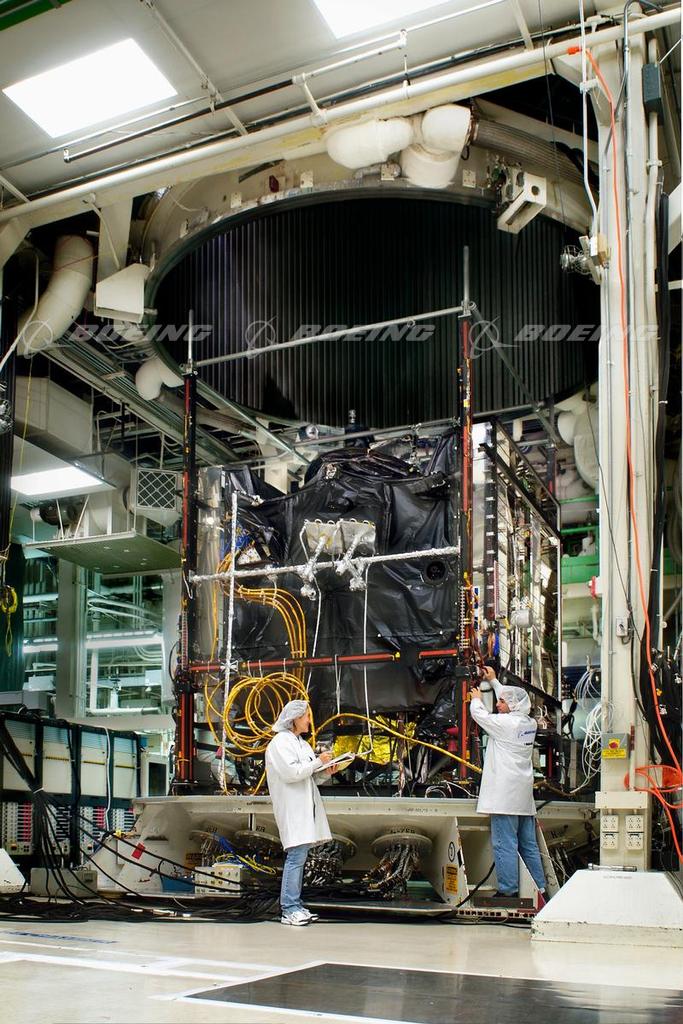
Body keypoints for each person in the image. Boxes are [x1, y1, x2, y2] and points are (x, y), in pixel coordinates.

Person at [469, 666, 547, 902]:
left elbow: (480, 716)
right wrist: (493, 681)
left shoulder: (505, 724)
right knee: (528, 845)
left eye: (501, 701)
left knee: (505, 843)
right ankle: (540, 889)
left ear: (511, 706)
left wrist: (476, 699)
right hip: (522, 797)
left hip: (504, 797)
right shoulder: (528, 723)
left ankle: (508, 890)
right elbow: (513, 699)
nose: (498, 703)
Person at [265, 699, 335, 926]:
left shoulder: (302, 744)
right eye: (306, 717)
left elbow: (310, 777)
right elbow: (292, 773)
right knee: (295, 857)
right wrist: (318, 762)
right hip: (292, 808)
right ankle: (288, 909)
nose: (309, 721)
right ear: (295, 718)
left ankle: (295, 905)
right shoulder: (280, 742)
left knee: (300, 856)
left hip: (304, 808)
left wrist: (327, 771)